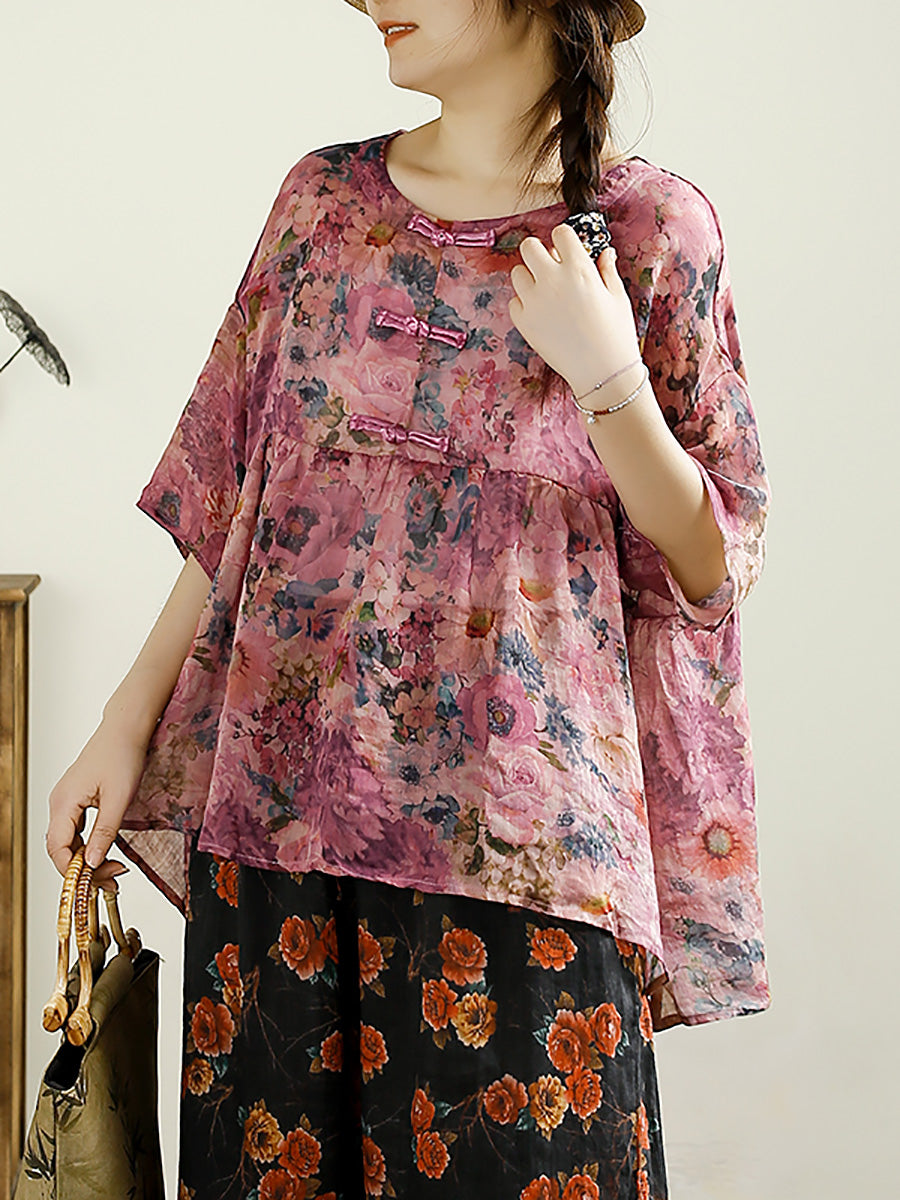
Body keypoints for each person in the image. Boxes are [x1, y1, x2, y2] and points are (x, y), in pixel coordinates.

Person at [45, 3, 773, 1198]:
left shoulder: (650, 232)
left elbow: (712, 562)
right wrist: (124, 726)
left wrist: (610, 378)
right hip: (277, 832)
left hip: (524, 859)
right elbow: (236, 503)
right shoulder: (320, 206)